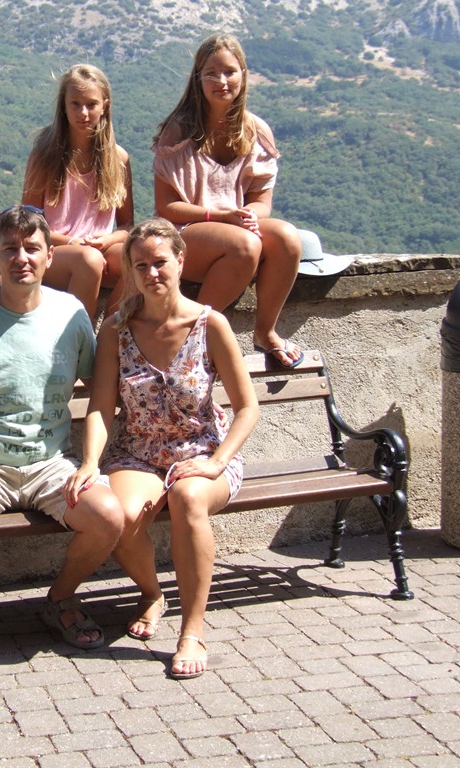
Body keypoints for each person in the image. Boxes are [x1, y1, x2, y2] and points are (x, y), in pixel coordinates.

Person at [0, 205, 126, 671]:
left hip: (52, 464)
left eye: (32, 248)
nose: (21, 258)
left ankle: (60, 599)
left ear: (50, 256)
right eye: (10, 248)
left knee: (108, 515)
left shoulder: (70, 313)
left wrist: (90, 463)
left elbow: (100, 395)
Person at [63, 218, 260, 679]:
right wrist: (90, 462)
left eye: (160, 262)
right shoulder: (117, 329)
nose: (151, 273)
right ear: (130, 271)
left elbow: (247, 407)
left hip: (204, 450)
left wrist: (216, 463)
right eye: (140, 265)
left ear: (180, 261)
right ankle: (153, 593)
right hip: (139, 451)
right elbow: (101, 407)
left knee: (188, 498)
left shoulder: (210, 325)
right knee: (121, 515)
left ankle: (192, 631)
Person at [153, 33, 305, 368]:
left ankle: (265, 332)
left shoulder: (256, 131)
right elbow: (167, 207)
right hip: (184, 231)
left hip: (234, 227)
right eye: (212, 73)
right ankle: (193, 336)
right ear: (198, 78)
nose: (221, 81)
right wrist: (221, 216)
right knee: (245, 245)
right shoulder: (179, 131)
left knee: (288, 238)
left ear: (243, 75)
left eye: (229, 72)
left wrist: (248, 213)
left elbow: (262, 202)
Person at [23, 64, 134, 319]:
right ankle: (79, 338)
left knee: (140, 256)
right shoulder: (44, 155)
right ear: (63, 105)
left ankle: (110, 330)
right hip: (53, 249)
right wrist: (72, 243)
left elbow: (127, 225)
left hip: (99, 248)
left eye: (91, 104)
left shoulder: (118, 158)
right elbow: (28, 222)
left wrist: (107, 241)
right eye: (75, 104)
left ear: (105, 106)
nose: (83, 113)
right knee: (89, 260)